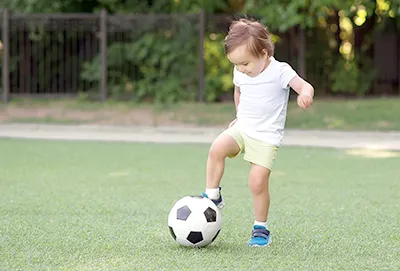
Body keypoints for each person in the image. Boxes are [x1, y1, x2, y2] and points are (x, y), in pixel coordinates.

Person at [201, 18, 314, 247]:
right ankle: (212, 194)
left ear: (263, 53)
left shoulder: (280, 71)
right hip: (243, 127)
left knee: (257, 182)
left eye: (245, 63)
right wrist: (239, 115)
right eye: (237, 64)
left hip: (265, 137)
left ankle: (260, 228)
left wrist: (305, 94)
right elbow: (239, 91)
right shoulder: (241, 71)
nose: (241, 69)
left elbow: (304, 86)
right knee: (216, 149)